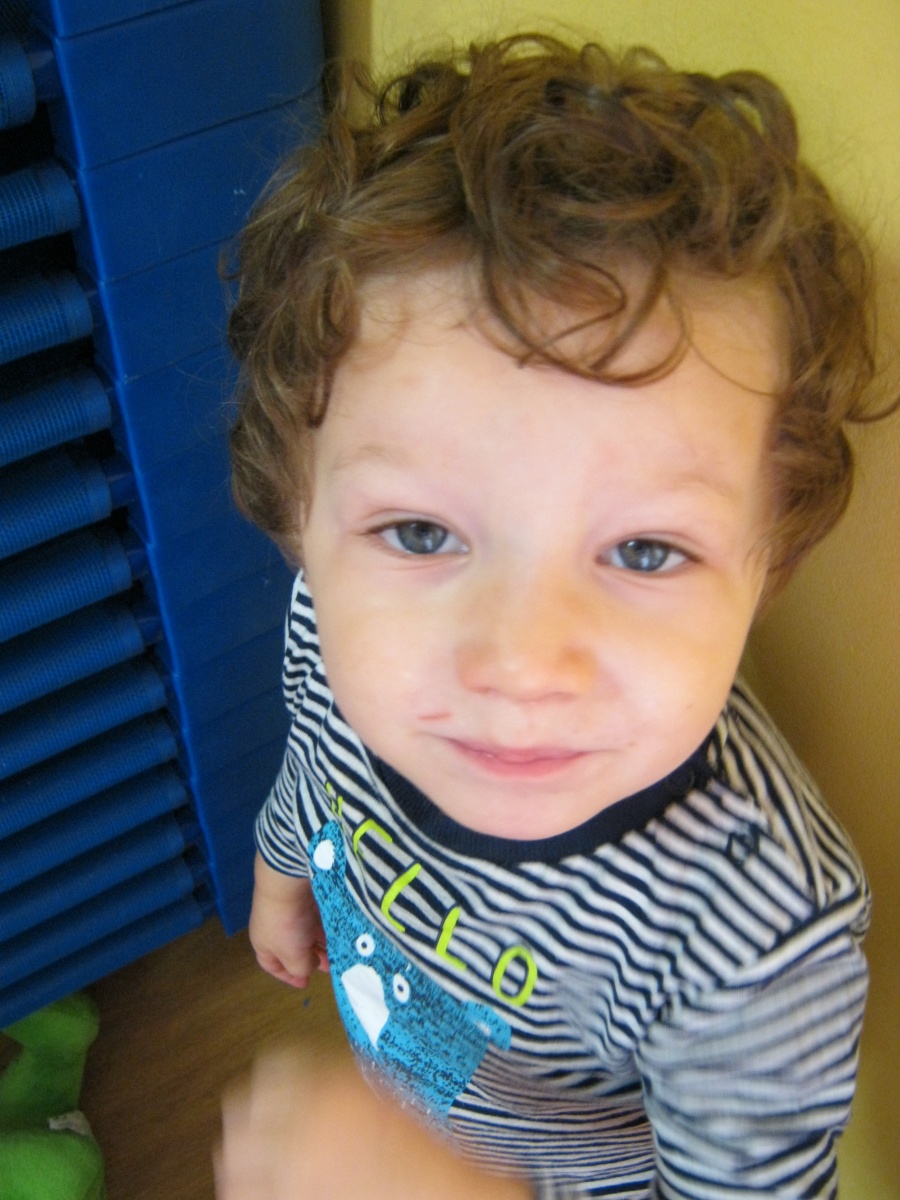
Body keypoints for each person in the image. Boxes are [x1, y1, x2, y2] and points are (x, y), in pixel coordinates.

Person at [215, 34, 895, 1200]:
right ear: (300, 521)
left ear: (767, 564)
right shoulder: (331, 626)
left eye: (645, 550)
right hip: (419, 1088)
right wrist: (282, 873)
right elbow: (317, 766)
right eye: (420, 534)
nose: (523, 665)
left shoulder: (755, 935)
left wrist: (441, 1191)